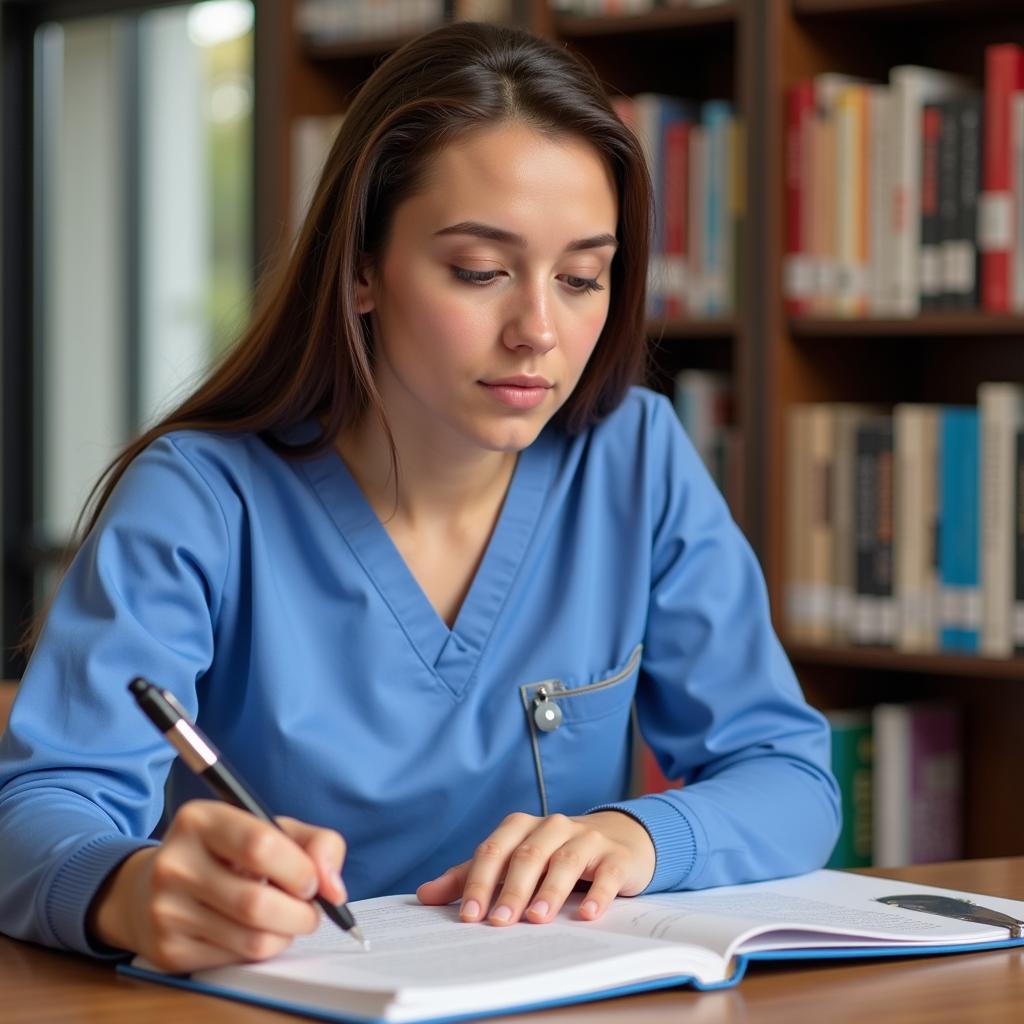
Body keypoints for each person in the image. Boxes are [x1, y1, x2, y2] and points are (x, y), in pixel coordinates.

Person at [0, 21, 839, 972]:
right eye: (479, 272)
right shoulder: (199, 498)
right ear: (361, 269)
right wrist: (131, 890)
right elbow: (38, 814)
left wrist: (639, 837)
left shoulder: (634, 457)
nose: (538, 331)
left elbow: (790, 777)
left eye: (581, 278)